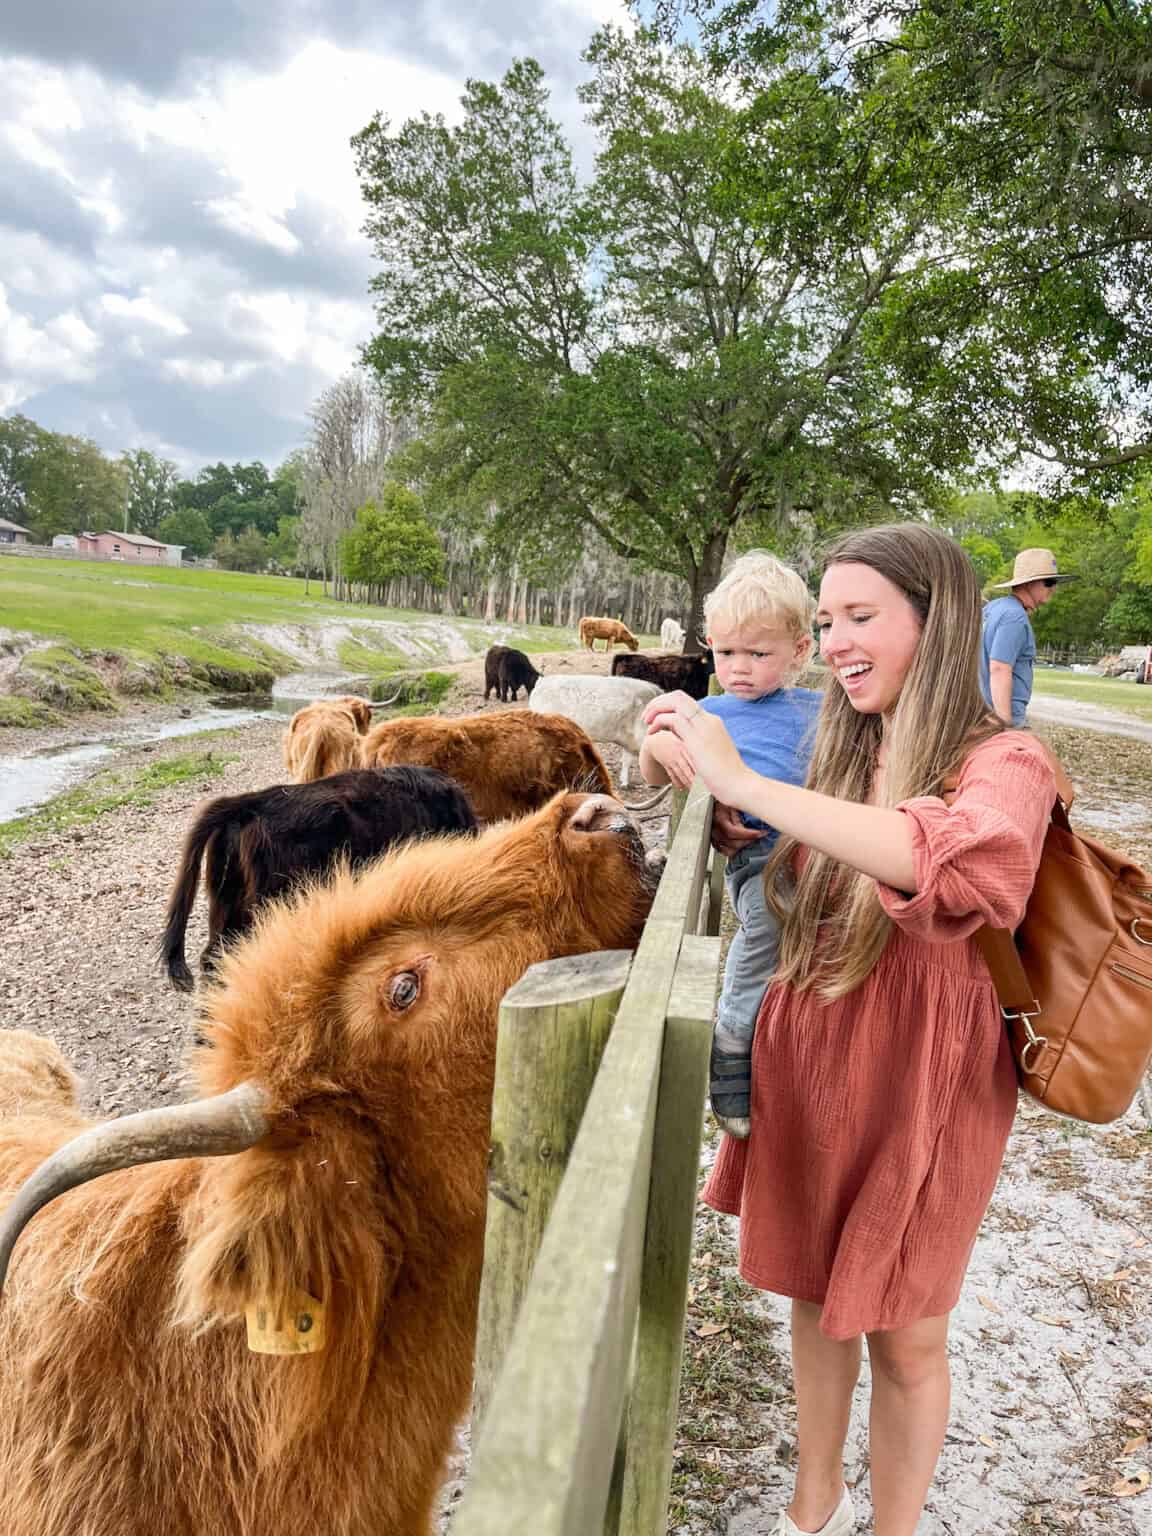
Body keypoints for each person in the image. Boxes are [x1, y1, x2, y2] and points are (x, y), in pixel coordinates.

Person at [642, 524, 1053, 1536]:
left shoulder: (1008, 758)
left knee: (908, 1334)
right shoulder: (842, 735)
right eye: (825, 622)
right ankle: (811, 1503)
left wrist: (748, 787)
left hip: (925, 1080)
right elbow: (716, 757)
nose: (833, 642)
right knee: (815, 1295)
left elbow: (964, 864)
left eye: (860, 617)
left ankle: (892, 1529)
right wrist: (680, 751)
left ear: (940, 619)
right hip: (812, 1052)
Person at [638, 552, 821, 1138]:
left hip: (821, 845)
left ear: (800, 651)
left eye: (758, 654)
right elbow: (649, 766)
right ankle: (734, 1031)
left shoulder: (824, 712)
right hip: (762, 857)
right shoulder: (707, 711)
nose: (739, 668)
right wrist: (662, 748)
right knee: (770, 917)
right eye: (726, 653)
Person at [979, 547, 1075, 725]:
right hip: (999, 720)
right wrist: (1005, 726)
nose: (1053, 588)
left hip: (982, 716)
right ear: (1029, 583)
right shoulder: (1014, 617)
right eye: (1048, 582)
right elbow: (999, 668)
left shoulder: (993, 609)